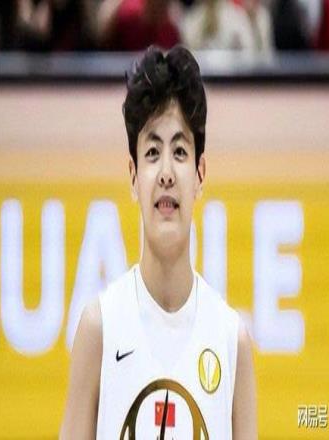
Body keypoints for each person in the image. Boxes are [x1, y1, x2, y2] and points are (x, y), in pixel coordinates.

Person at [60, 45, 257, 439]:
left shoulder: (231, 339)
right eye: (152, 152)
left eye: (180, 152)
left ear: (200, 174)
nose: (166, 172)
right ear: (133, 176)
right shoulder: (99, 328)